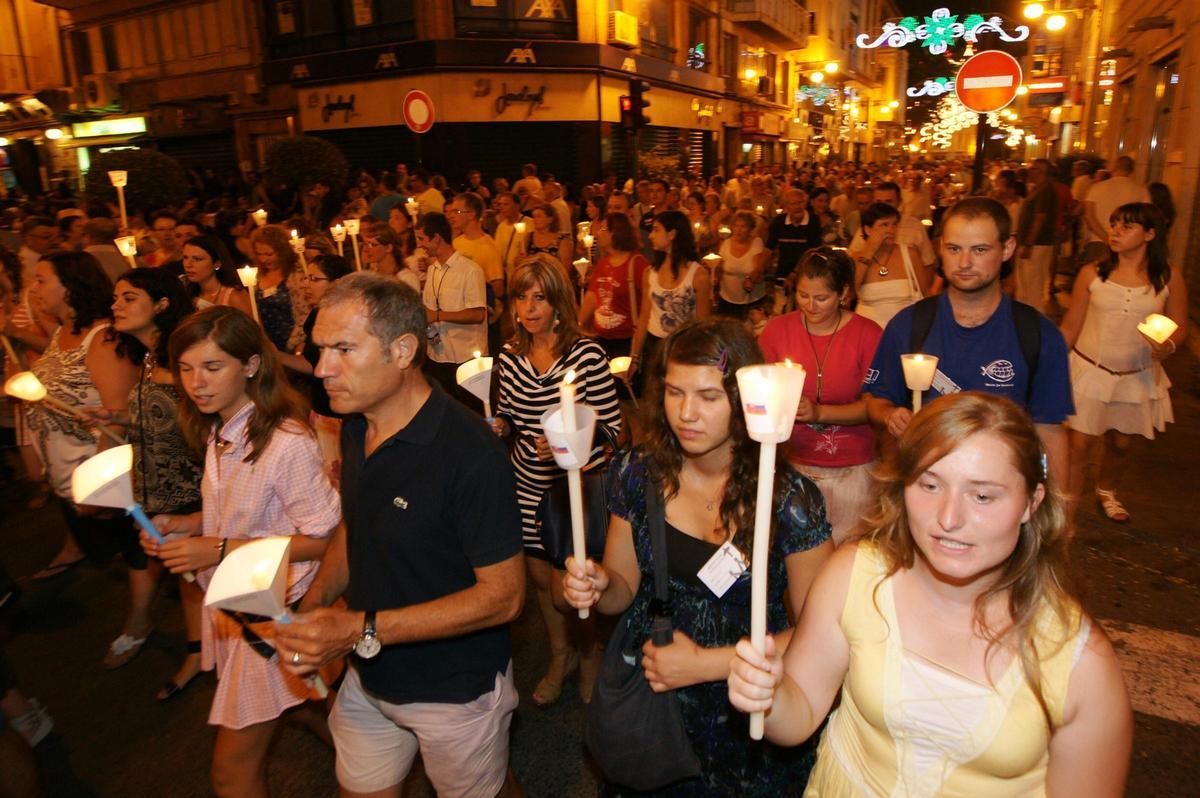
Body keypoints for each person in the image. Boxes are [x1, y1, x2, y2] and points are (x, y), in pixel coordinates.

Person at [728, 392, 1133, 797]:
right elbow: (800, 713)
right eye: (930, 484)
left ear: (1031, 503)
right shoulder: (855, 576)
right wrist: (769, 697)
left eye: (982, 495)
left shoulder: (1081, 664)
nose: (949, 518)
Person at [272, 272, 526, 798]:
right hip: (370, 675)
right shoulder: (359, 422)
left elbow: (503, 599)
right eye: (320, 350)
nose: (322, 370)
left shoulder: (471, 455)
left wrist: (357, 629)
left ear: (403, 349)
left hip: (453, 689)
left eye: (343, 349)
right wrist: (317, 602)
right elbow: (356, 521)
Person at [563, 318, 833, 794]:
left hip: (749, 701)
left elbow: (822, 638)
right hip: (657, 698)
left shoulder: (787, 501)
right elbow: (622, 592)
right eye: (673, 392)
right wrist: (600, 584)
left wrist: (707, 663)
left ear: (744, 400)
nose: (686, 413)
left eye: (708, 397)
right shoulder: (637, 473)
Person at [142, 306, 339, 797]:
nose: (196, 383)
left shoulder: (285, 440)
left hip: (274, 614)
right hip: (243, 606)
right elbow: (241, 512)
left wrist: (219, 549)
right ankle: (375, 762)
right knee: (320, 709)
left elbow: (325, 538)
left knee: (231, 773)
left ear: (251, 365)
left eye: (212, 368)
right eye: (185, 368)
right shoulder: (220, 430)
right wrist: (185, 527)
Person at [865, 197, 1073, 483]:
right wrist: (890, 414)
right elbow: (877, 400)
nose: (964, 262)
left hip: (1000, 490)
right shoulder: (909, 325)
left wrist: (1059, 513)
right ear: (941, 248)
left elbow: (1049, 430)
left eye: (979, 250)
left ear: (1007, 249)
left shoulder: (1038, 334)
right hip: (923, 484)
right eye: (954, 249)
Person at [490, 256, 622, 706]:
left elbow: (614, 429)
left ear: (558, 301)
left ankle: (589, 657)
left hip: (574, 489)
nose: (529, 308)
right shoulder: (508, 356)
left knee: (571, 585)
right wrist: (500, 428)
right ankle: (560, 655)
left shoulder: (586, 354)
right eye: (521, 297)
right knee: (543, 586)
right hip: (524, 484)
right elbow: (509, 416)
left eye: (540, 297)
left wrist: (569, 443)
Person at [104, 268, 204, 698]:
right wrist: (119, 419)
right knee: (187, 577)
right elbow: (162, 414)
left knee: (206, 573)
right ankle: (199, 652)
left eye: (129, 298)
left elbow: (207, 415)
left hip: (193, 484)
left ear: (161, 304)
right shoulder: (146, 356)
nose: (116, 306)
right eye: (115, 298)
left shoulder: (184, 355)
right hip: (159, 484)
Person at [1060, 203, 1188, 523]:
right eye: (1114, 224)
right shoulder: (1093, 273)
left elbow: (1180, 323)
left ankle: (1106, 490)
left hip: (1136, 375)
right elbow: (1071, 326)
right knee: (1080, 446)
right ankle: (1067, 509)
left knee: (1120, 443)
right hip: (1090, 369)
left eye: (1126, 226)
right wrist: (1045, 363)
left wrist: (1169, 344)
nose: (1115, 231)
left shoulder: (1167, 276)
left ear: (1149, 234)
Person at [24, 252, 141, 588]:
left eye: (42, 280)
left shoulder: (103, 340)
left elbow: (117, 417)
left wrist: (101, 486)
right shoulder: (63, 333)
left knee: (139, 554)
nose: (35, 288)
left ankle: (141, 623)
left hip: (97, 472)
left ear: (70, 287)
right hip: (68, 470)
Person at [759, 248, 883, 545]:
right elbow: (757, 389)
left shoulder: (867, 334)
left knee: (846, 558)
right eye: (803, 295)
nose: (810, 306)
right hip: (792, 462)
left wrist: (819, 414)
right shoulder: (777, 331)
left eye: (821, 298)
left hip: (852, 467)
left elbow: (877, 406)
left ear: (843, 293)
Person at [628, 210, 712, 390]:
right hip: (654, 347)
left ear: (672, 234)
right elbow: (644, 318)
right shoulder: (649, 274)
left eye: (656, 230)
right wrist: (634, 357)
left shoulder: (698, 275)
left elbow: (703, 324)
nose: (650, 236)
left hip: (684, 348)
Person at [418, 212, 489, 406]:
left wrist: (437, 316)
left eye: (422, 239)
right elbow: (428, 309)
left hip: (466, 358)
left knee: (473, 416)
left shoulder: (470, 270)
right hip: (438, 357)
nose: (419, 245)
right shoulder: (432, 270)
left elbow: (478, 314)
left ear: (437, 238)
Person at [579, 212, 649, 368]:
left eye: (603, 229)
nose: (598, 233)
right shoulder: (603, 263)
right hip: (601, 340)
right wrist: (579, 324)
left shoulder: (637, 264)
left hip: (625, 342)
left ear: (616, 233)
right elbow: (592, 296)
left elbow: (646, 309)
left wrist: (636, 354)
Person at [853, 202, 930, 329]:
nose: (891, 230)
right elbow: (850, 291)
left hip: (905, 331)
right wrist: (870, 249)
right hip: (867, 333)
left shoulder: (910, 254)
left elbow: (926, 296)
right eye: (884, 225)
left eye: (894, 225)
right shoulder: (856, 258)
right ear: (868, 229)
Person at [249, 224, 310, 353]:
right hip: (266, 343)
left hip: (293, 343)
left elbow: (304, 313)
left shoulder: (295, 274)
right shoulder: (256, 276)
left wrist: (295, 346)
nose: (264, 259)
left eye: (269, 254)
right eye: (259, 254)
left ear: (282, 251)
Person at [1081, 156, 1149, 266]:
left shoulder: (1096, 188)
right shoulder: (1141, 190)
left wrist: (1106, 238)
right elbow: (1146, 217)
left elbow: (1089, 216)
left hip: (1098, 241)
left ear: (1114, 167)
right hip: (1128, 245)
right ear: (1131, 170)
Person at [1013, 159, 1059, 312]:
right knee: (1025, 285)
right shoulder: (1037, 189)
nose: (1030, 171)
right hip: (1032, 243)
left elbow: (1039, 219)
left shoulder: (1046, 191)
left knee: (1033, 286)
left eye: (1033, 169)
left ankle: (1033, 322)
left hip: (1037, 245)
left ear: (1041, 171)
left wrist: (1028, 244)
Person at [714, 209, 768, 319]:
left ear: (750, 229)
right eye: (736, 226)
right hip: (728, 297)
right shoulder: (726, 243)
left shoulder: (756, 242)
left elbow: (758, 269)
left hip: (751, 299)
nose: (739, 230)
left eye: (743, 227)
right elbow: (719, 267)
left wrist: (750, 279)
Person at [181, 235, 254, 315]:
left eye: (197, 259)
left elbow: (251, 326)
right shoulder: (185, 289)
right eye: (185, 257)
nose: (188, 264)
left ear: (217, 264)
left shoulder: (234, 296)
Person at [765, 189, 822, 287]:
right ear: (786, 206)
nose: (798, 207)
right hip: (782, 273)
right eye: (793, 203)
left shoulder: (813, 221)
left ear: (805, 203)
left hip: (806, 274)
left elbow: (813, 252)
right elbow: (769, 249)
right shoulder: (779, 221)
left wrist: (794, 273)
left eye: (800, 202)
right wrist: (759, 270)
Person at [521, 203, 572, 279]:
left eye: (539, 216)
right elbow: (523, 259)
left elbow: (566, 268)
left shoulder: (561, 240)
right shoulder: (529, 237)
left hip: (553, 281)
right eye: (534, 216)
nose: (535, 220)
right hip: (532, 280)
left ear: (550, 219)